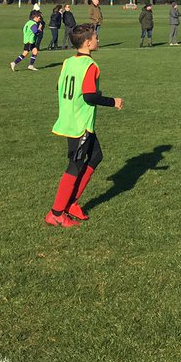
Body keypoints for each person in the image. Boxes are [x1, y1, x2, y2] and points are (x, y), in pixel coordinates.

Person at [45, 23, 124, 227]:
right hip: (80, 123)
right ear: (88, 43)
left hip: (71, 118)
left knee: (96, 156)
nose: (98, 40)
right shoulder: (90, 66)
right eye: (96, 37)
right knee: (75, 165)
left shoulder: (68, 62)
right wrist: (112, 101)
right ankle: (56, 213)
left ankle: (71, 203)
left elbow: (59, 86)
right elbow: (89, 96)